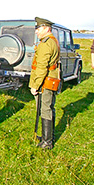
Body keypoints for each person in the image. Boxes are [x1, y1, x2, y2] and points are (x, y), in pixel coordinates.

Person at [29, 17, 60, 150]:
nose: (36, 31)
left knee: (45, 109)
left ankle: (47, 142)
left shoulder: (46, 44)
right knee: (47, 108)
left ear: (46, 28)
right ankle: (48, 137)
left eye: (38, 29)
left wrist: (35, 85)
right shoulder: (52, 41)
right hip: (49, 80)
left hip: (45, 82)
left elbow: (42, 67)